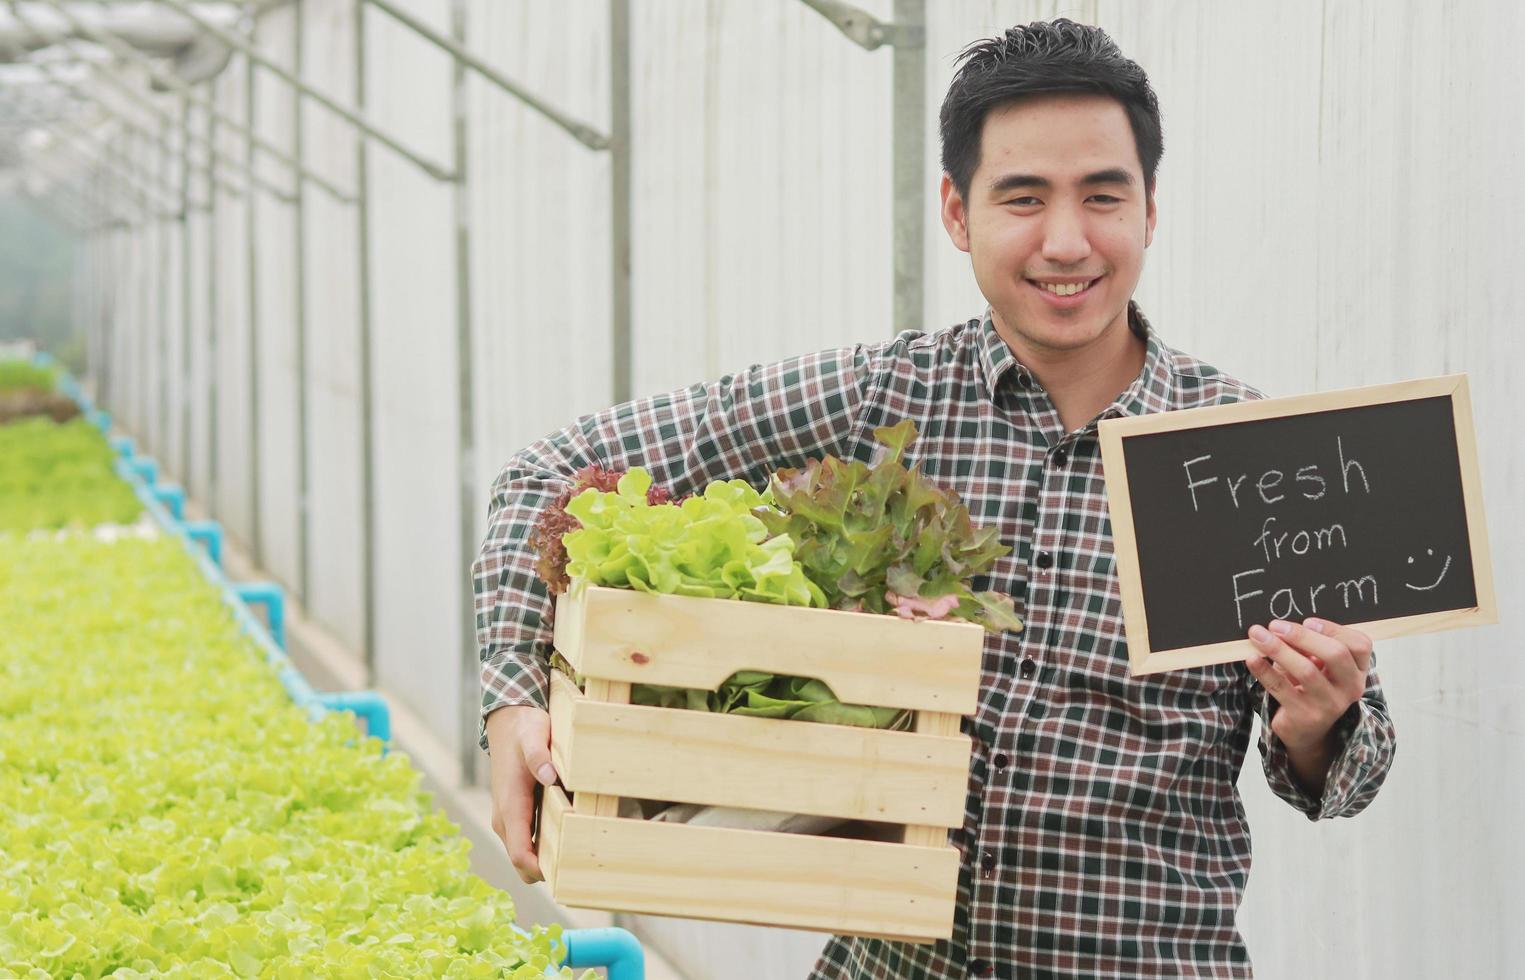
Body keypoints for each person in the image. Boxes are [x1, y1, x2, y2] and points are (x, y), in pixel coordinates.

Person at [473, 18, 1396, 979]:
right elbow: (549, 469)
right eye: (1023, 198)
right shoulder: (887, 396)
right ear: (956, 212)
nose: (1066, 241)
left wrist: (1316, 719)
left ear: (1151, 208)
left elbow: (1351, 773)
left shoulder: (1241, 450)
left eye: (1102, 196)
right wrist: (511, 703)